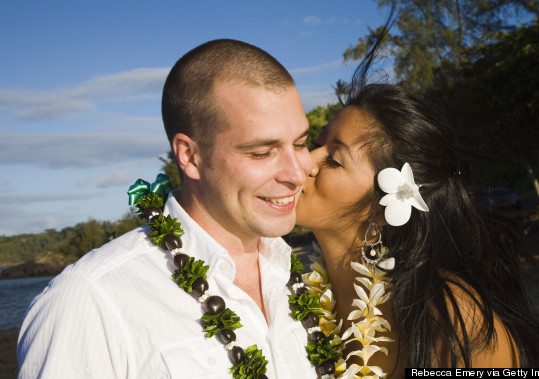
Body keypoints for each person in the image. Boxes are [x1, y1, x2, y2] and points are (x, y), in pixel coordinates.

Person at [17, 39, 319, 378]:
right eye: (262, 152)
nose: (297, 173)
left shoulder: (301, 276)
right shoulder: (91, 301)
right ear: (190, 156)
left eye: (300, 143)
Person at [295, 39, 539, 376]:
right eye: (316, 143)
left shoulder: (452, 318)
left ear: (382, 208)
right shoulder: (293, 293)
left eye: (333, 158)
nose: (305, 161)